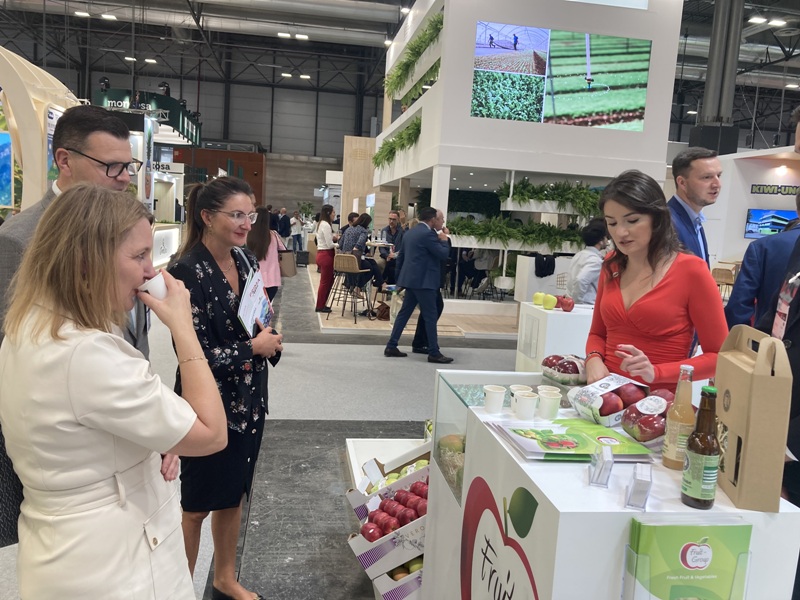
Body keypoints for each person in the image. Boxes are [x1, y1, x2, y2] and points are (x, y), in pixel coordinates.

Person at [0, 184, 228, 598]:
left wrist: (160, 430)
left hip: (68, 549)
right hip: (117, 563)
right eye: (139, 256)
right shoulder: (85, 353)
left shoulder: (30, 324)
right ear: (88, 261)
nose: (150, 272)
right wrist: (184, 327)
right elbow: (211, 433)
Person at [0, 104, 147, 547]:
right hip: (61, 450)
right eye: (111, 166)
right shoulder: (21, 238)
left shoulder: (126, 225)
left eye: (129, 166)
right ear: (64, 160)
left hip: (122, 421)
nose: (124, 178)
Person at [168, 177, 283, 600]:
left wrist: (268, 336)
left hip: (248, 399)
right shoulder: (185, 272)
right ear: (207, 217)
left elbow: (258, 314)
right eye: (236, 215)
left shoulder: (246, 259)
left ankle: (224, 577)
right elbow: (191, 353)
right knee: (196, 505)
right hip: (207, 404)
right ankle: (180, 589)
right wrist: (253, 347)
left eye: (249, 214)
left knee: (233, 495)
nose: (246, 223)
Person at [585, 170, 728, 390]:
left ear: (657, 219)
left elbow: (719, 357)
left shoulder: (692, 271)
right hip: (607, 397)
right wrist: (593, 358)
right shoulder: (611, 264)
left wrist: (657, 372)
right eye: (611, 223)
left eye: (632, 221)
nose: (621, 232)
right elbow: (597, 333)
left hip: (660, 402)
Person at [384, 207, 453, 363]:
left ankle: (391, 345)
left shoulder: (410, 233)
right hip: (425, 282)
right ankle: (434, 352)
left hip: (410, 280)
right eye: (441, 219)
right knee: (430, 316)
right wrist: (444, 240)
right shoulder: (428, 234)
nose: (442, 222)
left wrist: (400, 280)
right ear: (433, 219)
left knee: (404, 314)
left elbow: (401, 257)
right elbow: (443, 254)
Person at [726, 192, 800, 329]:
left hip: (769, 337)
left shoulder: (762, 247)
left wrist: (744, 339)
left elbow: (739, 304)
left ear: (797, 210)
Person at [668, 147, 723, 267]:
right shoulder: (667, 223)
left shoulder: (695, 221)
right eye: (707, 177)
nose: (717, 184)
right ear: (682, 183)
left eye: (718, 175)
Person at [338, 212, 388, 292]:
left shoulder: (348, 229)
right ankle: (358, 287)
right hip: (354, 260)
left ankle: (381, 283)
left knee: (372, 262)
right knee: (370, 269)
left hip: (344, 260)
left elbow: (340, 244)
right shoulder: (363, 231)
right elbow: (358, 245)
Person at [247, 205, 286, 303]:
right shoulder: (273, 235)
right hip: (272, 279)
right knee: (266, 307)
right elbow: (283, 250)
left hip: (253, 280)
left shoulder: (248, 235)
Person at [566, 217, 608, 304]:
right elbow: (581, 280)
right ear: (600, 241)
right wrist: (576, 301)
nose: (607, 241)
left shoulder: (579, 255)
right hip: (586, 304)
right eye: (606, 237)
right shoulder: (595, 261)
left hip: (572, 301)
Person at [315, 204, 337, 313]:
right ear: (328, 213)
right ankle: (320, 305)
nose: (334, 215)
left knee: (329, 280)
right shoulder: (326, 225)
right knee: (325, 282)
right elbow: (329, 244)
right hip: (326, 255)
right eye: (333, 212)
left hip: (321, 254)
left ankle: (322, 303)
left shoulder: (321, 224)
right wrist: (338, 244)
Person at [376, 210, 405, 284]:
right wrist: (387, 256)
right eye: (390, 219)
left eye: (394, 219)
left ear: (398, 220)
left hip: (398, 257)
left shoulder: (402, 231)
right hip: (386, 256)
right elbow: (381, 247)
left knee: (394, 265)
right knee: (378, 263)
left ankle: (382, 282)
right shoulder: (384, 231)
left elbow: (404, 246)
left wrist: (395, 255)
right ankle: (382, 282)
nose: (391, 221)